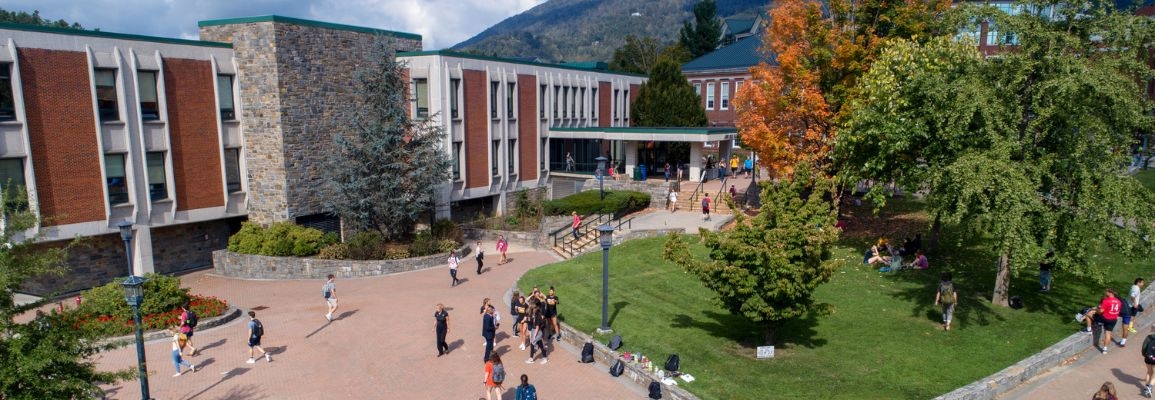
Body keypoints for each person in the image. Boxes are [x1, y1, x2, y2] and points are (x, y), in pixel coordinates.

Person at [1093, 288, 1123, 354]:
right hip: (1114, 319)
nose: (1105, 293)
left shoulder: (1106, 301)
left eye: (1107, 292)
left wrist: (1096, 310)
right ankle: (1105, 349)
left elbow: (1101, 311)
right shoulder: (1119, 301)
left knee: (1091, 315)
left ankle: (1090, 328)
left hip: (1105, 318)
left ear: (1110, 293)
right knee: (1108, 333)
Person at [1141, 324, 1155, 397]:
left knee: (1149, 372)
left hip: (1148, 358)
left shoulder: (1148, 337)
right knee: (1154, 374)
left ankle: (1146, 386)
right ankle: (1149, 387)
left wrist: (1144, 354)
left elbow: (1144, 347)